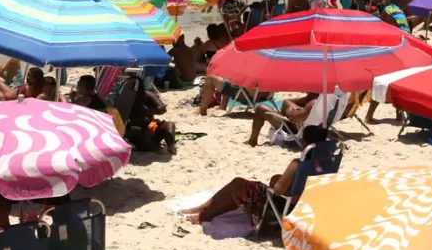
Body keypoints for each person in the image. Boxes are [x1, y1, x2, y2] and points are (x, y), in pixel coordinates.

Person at [183, 125, 329, 226]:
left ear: (304, 141)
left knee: (238, 186)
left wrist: (276, 182)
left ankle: (205, 214)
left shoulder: (298, 164)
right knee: (241, 184)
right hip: (303, 206)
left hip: (282, 206)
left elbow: (278, 190)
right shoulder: (328, 163)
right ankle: (203, 208)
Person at [246, 93, 317, 147]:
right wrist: (307, 98)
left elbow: (294, 118)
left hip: (298, 136)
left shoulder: (313, 105)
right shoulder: (324, 103)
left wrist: (290, 112)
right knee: (286, 102)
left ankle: (252, 141)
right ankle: (281, 123)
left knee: (261, 109)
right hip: (307, 129)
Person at [127, 81, 177, 154]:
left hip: (150, 129)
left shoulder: (146, 95)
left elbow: (162, 108)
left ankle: (171, 146)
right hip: (133, 132)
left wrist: (147, 111)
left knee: (169, 126)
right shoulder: (124, 98)